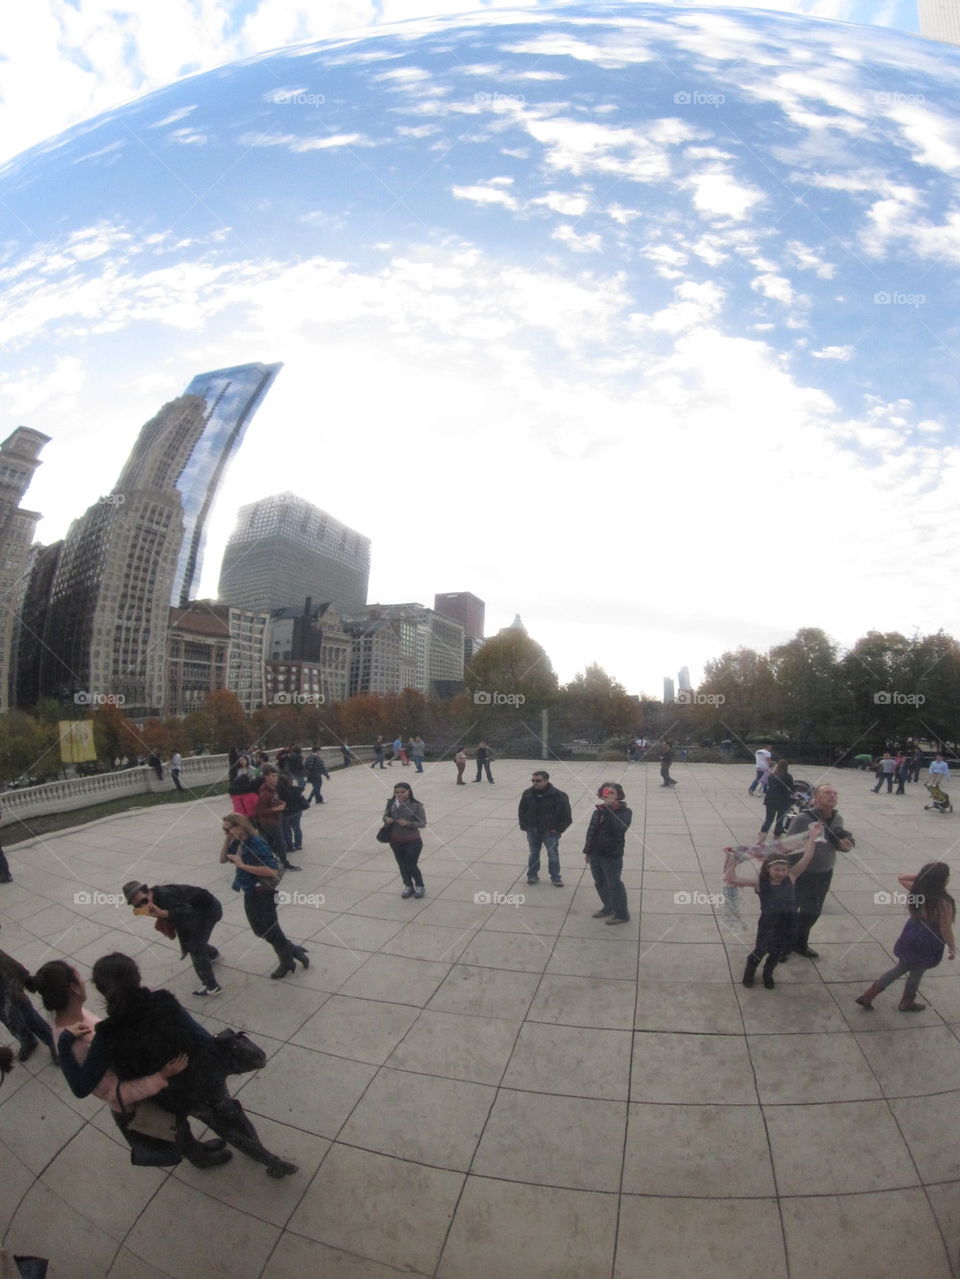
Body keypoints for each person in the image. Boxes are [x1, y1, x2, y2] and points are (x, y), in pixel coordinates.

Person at [57, 952, 298, 1177]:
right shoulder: (163, 1001)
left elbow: (81, 1087)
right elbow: (202, 1038)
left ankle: (200, 1157)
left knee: (180, 1130)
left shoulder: (106, 1034)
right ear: (137, 977)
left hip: (168, 1098)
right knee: (228, 1118)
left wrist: (64, 1043)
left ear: (102, 991)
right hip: (205, 1079)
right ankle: (269, 1160)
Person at [26, 959, 193, 1165]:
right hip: (136, 1105)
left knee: (182, 1131)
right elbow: (109, 1091)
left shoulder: (76, 1017)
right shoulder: (79, 1041)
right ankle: (198, 1156)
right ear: (73, 988)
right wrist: (161, 1076)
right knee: (175, 1137)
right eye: (79, 976)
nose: (84, 981)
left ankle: (199, 1153)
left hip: (142, 1091)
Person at [728, 825, 821, 989]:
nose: (781, 873)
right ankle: (749, 972)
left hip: (788, 923)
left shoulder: (791, 877)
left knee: (777, 953)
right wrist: (731, 859)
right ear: (768, 869)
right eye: (776, 869)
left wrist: (812, 837)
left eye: (783, 869)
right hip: (768, 924)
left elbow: (807, 858)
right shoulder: (760, 883)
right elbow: (732, 879)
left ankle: (768, 973)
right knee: (760, 950)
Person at [857, 862, 957, 1011]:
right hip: (928, 942)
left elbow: (901, 878)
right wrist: (952, 947)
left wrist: (923, 878)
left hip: (912, 934)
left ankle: (870, 995)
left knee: (902, 968)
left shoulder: (919, 892)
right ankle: (905, 1001)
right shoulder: (944, 902)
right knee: (915, 972)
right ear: (942, 880)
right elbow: (945, 928)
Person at [220, 814, 308, 979]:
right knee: (260, 930)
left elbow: (272, 870)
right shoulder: (238, 841)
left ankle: (286, 961)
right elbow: (222, 859)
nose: (227, 832)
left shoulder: (256, 843)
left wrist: (242, 865)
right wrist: (228, 838)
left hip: (263, 893)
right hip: (250, 890)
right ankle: (293, 950)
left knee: (270, 930)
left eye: (229, 828)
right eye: (224, 830)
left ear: (241, 826)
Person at [784, 782, 855, 958]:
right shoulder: (802, 819)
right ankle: (781, 945)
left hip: (824, 873)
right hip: (800, 873)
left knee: (812, 912)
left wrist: (845, 846)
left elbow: (837, 845)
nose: (832, 795)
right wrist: (786, 873)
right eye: (827, 792)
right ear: (815, 798)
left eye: (835, 793)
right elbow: (787, 846)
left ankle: (800, 943)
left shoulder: (838, 819)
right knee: (789, 911)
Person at [122, 880, 224, 998]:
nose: (143, 907)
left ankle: (212, 986)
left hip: (207, 910)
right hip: (195, 913)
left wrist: (164, 914)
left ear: (148, 892)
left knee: (195, 946)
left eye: (144, 901)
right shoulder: (151, 900)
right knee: (192, 942)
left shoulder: (165, 896)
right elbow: (180, 917)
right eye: (137, 905)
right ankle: (212, 955)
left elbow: (189, 912)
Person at [584, 782, 633, 924]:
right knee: (600, 882)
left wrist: (609, 809)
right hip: (595, 854)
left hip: (611, 855)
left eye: (612, 793)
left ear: (618, 795)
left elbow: (618, 828)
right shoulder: (598, 811)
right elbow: (591, 832)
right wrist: (587, 851)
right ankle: (608, 907)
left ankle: (622, 914)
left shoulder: (625, 812)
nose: (608, 795)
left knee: (614, 884)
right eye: (606, 792)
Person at [0, 944, 57, 1063]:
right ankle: (28, 1041)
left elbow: (4, 959)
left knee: (26, 1013)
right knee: (9, 1020)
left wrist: (24, 976)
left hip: (6, 985)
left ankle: (53, 1041)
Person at [519, 771, 572, 887]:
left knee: (553, 855)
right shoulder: (527, 793)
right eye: (533, 780)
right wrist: (525, 826)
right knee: (534, 854)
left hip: (550, 832)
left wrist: (558, 829)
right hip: (532, 830)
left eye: (538, 781)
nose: (535, 783)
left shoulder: (559, 795)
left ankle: (555, 877)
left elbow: (567, 816)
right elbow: (522, 810)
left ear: (546, 780)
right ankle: (532, 875)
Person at [381, 783, 427, 898]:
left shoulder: (417, 805)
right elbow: (384, 817)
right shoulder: (391, 803)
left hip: (412, 840)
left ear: (409, 792)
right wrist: (387, 819)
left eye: (403, 792)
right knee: (401, 865)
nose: (399, 795)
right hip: (395, 840)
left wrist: (408, 823)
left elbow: (422, 823)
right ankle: (408, 885)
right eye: (397, 792)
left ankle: (419, 885)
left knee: (411, 864)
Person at [255, 765, 299, 871]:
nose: (275, 779)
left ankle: (271, 863)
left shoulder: (272, 788)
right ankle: (284, 864)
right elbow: (260, 811)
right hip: (270, 822)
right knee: (281, 844)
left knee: (271, 843)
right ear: (266, 777)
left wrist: (280, 803)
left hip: (274, 820)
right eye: (272, 776)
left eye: (276, 776)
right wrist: (275, 809)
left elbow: (273, 801)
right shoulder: (265, 793)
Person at [759, 760, 794, 841]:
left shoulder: (772, 775)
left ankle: (763, 834)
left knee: (769, 819)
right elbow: (792, 789)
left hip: (771, 799)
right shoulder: (788, 776)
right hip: (783, 800)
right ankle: (777, 835)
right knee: (780, 819)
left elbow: (770, 786)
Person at [276, 767, 306, 857]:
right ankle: (298, 844)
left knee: (287, 829)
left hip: (288, 812)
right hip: (297, 811)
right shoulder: (296, 789)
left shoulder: (280, 792)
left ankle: (290, 846)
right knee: (297, 827)